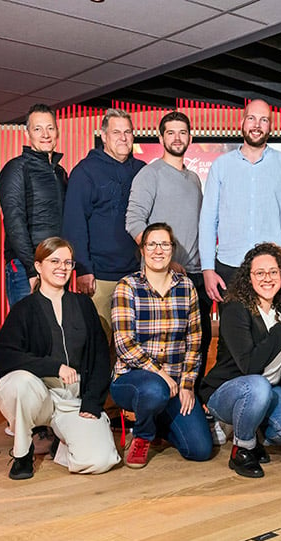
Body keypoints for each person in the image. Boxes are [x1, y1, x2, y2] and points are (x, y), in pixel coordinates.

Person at [0, 237, 121, 479]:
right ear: (39, 266)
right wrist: (54, 366)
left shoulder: (83, 305)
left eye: (68, 262)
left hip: (72, 398)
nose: (62, 267)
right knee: (19, 383)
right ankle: (22, 453)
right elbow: (4, 357)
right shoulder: (24, 309)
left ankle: (61, 445)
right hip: (38, 394)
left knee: (100, 460)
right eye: (54, 261)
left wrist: (93, 402)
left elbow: (100, 357)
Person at [200, 243, 281, 478]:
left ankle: (253, 427)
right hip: (229, 391)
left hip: (269, 390)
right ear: (248, 278)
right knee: (258, 385)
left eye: (273, 271)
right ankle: (243, 448)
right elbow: (250, 366)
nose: (267, 278)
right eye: (259, 273)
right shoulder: (235, 308)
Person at [110, 223, 212, 468]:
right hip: (134, 381)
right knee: (155, 390)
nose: (158, 250)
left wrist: (187, 385)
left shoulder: (186, 287)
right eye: (152, 244)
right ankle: (143, 435)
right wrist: (161, 374)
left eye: (164, 244)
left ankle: (160, 424)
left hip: (176, 384)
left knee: (200, 449)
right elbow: (125, 344)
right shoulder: (128, 286)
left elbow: (194, 341)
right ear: (143, 250)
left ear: (172, 249)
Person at [126, 110, 212, 393]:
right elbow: (134, 221)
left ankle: (190, 400)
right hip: (164, 279)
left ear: (190, 137)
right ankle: (161, 402)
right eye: (171, 132)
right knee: (164, 345)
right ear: (161, 137)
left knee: (198, 343)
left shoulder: (193, 179)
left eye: (183, 132)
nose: (177, 137)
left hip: (196, 275)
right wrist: (164, 262)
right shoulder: (149, 174)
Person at [199, 98, 281, 302]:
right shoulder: (221, 166)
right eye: (252, 118)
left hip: (274, 270)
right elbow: (207, 221)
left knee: (278, 330)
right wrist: (207, 268)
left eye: (263, 120)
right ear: (242, 123)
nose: (257, 125)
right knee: (233, 333)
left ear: (271, 126)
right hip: (230, 268)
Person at [62, 108, 145, 340]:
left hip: (137, 276)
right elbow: (74, 223)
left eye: (127, 132)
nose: (123, 137)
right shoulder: (85, 172)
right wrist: (83, 269)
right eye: (116, 132)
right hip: (100, 278)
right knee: (99, 343)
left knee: (134, 344)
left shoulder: (142, 171)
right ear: (104, 136)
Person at [0, 103, 69, 306]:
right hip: (26, 267)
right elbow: (14, 222)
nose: (45, 134)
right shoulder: (16, 168)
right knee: (28, 333)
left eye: (50, 128)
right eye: (38, 128)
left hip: (57, 265)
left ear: (57, 131)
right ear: (28, 132)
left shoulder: (60, 172)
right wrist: (32, 268)